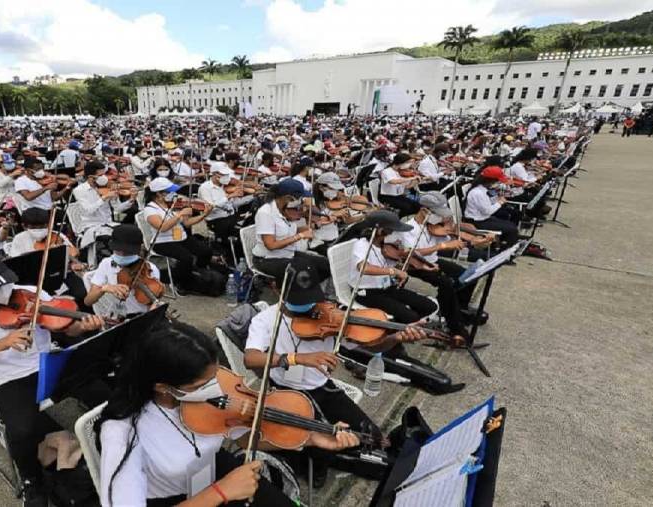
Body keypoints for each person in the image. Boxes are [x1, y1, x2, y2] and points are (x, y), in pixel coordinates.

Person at [99, 320, 359, 506]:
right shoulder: (123, 432)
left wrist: (308, 438)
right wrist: (220, 493)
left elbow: (241, 437)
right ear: (163, 387)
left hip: (217, 470)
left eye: (213, 378)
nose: (214, 390)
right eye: (200, 386)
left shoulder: (213, 395)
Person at [244, 256, 425, 486]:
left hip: (323, 387)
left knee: (373, 437)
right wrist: (295, 358)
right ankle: (319, 461)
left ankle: (338, 458)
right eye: (297, 298)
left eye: (309, 297)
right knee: (319, 444)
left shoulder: (330, 316)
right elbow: (251, 358)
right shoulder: (265, 320)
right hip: (285, 391)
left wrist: (395, 337)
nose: (307, 306)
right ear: (275, 287)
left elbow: (372, 346)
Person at [0, 253, 103, 506]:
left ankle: (110, 447)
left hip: (49, 361)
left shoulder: (30, 291)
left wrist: (81, 327)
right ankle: (31, 480)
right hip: (8, 377)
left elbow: (64, 327)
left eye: (4, 282)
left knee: (101, 391)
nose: (4, 291)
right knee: (22, 430)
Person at [386, 193, 480, 339]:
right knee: (446, 284)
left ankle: (458, 310)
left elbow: (449, 237)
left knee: (468, 276)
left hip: (433, 260)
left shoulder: (433, 225)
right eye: (437, 214)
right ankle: (454, 326)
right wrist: (441, 246)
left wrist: (470, 239)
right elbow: (412, 253)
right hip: (416, 265)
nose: (441, 219)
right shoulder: (409, 228)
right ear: (424, 211)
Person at [348, 211, 438, 325]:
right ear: (380, 231)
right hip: (367, 292)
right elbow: (364, 268)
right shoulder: (361, 245)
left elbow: (396, 263)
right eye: (392, 231)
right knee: (411, 316)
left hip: (386, 288)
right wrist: (393, 271)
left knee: (429, 306)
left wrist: (421, 266)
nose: (395, 235)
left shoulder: (384, 247)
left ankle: (400, 325)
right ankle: (400, 328)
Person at [251, 179, 329, 284]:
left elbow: (289, 230)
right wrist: (300, 236)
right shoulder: (266, 213)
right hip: (267, 259)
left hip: (287, 253)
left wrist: (314, 225)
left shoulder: (285, 209)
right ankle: (296, 294)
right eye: (299, 198)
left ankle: (305, 289)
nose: (301, 201)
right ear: (288, 198)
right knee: (304, 269)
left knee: (325, 264)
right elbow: (271, 245)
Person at [143, 177, 213, 291]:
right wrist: (179, 214)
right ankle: (179, 282)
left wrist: (204, 215)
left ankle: (198, 272)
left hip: (181, 237)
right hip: (163, 241)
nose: (174, 194)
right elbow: (162, 227)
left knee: (205, 251)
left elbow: (187, 223)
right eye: (169, 192)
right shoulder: (150, 209)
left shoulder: (174, 205)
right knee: (186, 258)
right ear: (159, 194)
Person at [85, 224, 161, 320]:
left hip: (141, 317)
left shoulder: (150, 269)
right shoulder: (106, 264)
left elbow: (152, 304)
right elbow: (88, 301)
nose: (122, 254)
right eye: (118, 250)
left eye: (128, 251)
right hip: (116, 316)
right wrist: (105, 288)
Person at [72, 160, 131, 257]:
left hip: (109, 223)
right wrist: (104, 198)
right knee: (116, 238)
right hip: (91, 225)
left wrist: (130, 200)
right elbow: (88, 211)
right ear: (91, 177)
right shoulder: (79, 190)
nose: (104, 178)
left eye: (104, 174)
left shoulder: (106, 187)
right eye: (101, 175)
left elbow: (117, 208)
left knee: (132, 232)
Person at [464, 166, 519, 250]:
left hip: (483, 218)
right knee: (512, 229)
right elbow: (488, 211)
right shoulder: (478, 192)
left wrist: (497, 197)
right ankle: (504, 251)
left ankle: (499, 245)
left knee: (510, 224)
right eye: (497, 181)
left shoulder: (484, 189)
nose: (498, 183)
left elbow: (489, 202)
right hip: (477, 222)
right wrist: (500, 202)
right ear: (490, 181)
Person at [198, 163, 253, 245]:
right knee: (240, 237)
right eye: (223, 174)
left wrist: (251, 197)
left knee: (249, 225)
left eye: (227, 174)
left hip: (231, 217)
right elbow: (211, 208)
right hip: (217, 221)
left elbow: (233, 204)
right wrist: (229, 196)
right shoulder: (205, 188)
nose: (226, 176)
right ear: (214, 174)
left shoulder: (223, 186)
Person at [377, 153, 422, 217]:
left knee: (417, 206)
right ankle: (398, 219)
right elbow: (393, 181)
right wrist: (411, 178)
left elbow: (407, 186)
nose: (408, 165)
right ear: (401, 162)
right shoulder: (386, 171)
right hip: (387, 197)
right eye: (407, 162)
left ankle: (403, 218)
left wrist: (416, 181)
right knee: (407, 207)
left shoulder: (400, 172)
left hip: (399, 196)